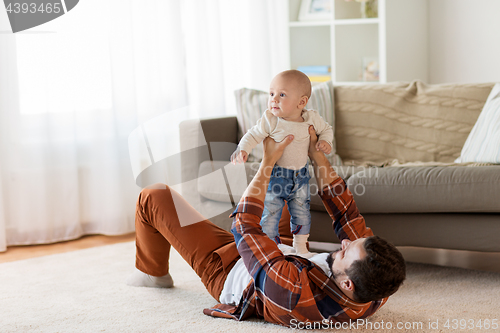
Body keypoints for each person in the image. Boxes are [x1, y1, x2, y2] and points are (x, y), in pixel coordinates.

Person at [126, 126, 406, 328]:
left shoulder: (294, 293)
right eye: (351, 243)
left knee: (153, 195)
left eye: (346, 253)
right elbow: (347, 214)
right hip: (285, 255)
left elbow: (244, 226)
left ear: (347, 283)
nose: (343, 243)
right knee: (285, 189)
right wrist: (316, 156)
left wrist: (267, 162)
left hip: (233, 270)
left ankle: (153, 274)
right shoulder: (376, 285)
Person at [231, 70, 333, 257]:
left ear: (301, 102)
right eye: (271, 94)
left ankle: (301, 247)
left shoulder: (311, 118)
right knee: (270, 213)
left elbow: (327, 129)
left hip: (300, 176)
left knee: (302, 212)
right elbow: (253, 134)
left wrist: (325, 141)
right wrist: (243, 149)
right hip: (277, 175)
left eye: (282, 94)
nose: (274, 99)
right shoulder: (271, 120)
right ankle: (271, 248)